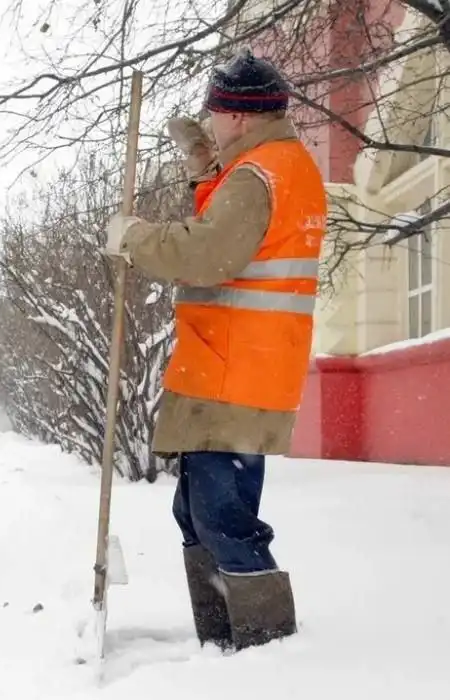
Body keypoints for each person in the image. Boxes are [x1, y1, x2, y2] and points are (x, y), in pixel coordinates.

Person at [102, 49, 327, 652]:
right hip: (237, 369)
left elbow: (210, 255)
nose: (208, 119)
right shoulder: (270, 167)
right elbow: (240, 246)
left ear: (242, 116)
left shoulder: (259, 176)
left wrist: (136, 238)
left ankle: (262, 646)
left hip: (234, 372)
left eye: (216, 112)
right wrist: (208, 170)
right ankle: (226, 638)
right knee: (199, 513)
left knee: (222, 519)